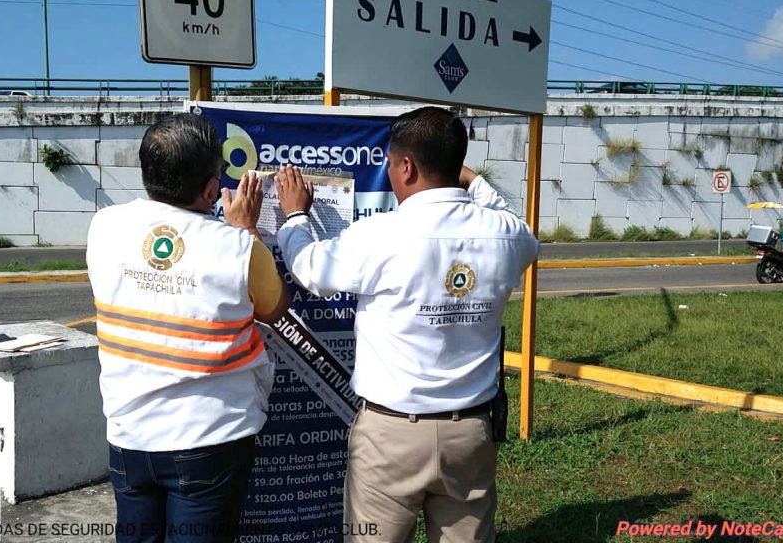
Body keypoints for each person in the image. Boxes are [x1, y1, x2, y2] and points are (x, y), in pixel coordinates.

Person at [274, 107, 538, 543]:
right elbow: (515, 223)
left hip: (390, 438)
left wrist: (295, 216)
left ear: (407, 167)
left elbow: (310, 267)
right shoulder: (507, 235)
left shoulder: (381, 234)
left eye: (391, 163)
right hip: (470, 434)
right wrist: (467, 176)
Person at [86, 113, 290, 543]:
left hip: (129, 437)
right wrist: (247, 231)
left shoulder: (103, 226)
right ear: (212, 188)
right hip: (209, 442)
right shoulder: (237, 248)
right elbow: (274, 309)